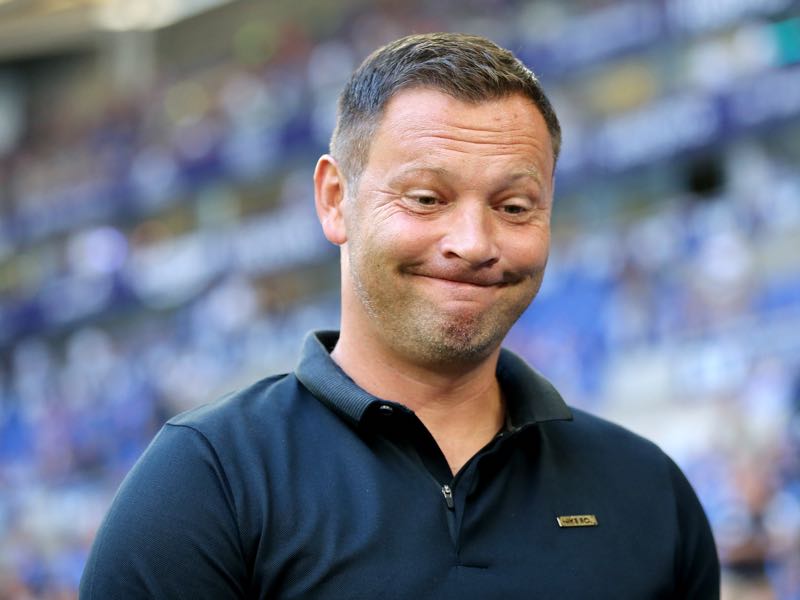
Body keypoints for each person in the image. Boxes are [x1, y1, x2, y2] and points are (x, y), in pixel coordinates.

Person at [80, 33, 720, 599]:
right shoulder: (204, 485)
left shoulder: (648, 491)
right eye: (425, 198)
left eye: (516, 206)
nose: (473, 242)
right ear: (336, 201)